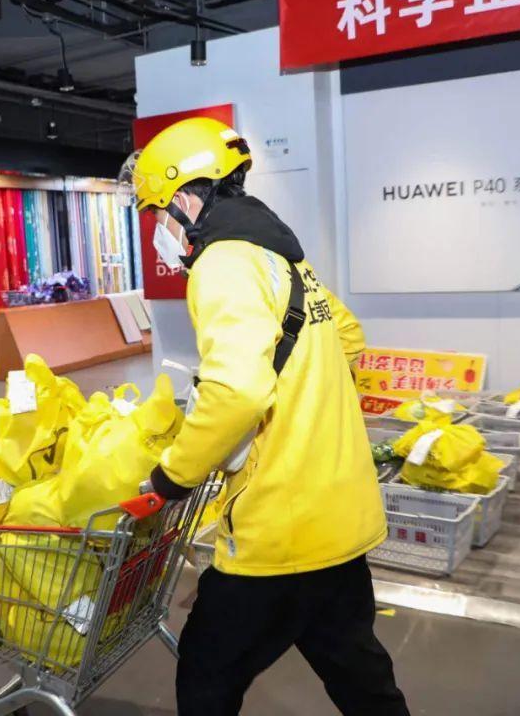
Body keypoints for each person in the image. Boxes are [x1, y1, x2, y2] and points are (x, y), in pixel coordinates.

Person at [126, 118, 409, 715]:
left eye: (156, 214)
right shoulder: (282, 257)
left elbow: (237, 391)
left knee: (205, 676)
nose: (157, 230)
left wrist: (170, 478)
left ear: (183, 200)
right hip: (340, 512)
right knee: (360, 676)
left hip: (279, 525)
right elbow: (348, 338)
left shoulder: (222, 263)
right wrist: (306, 402)